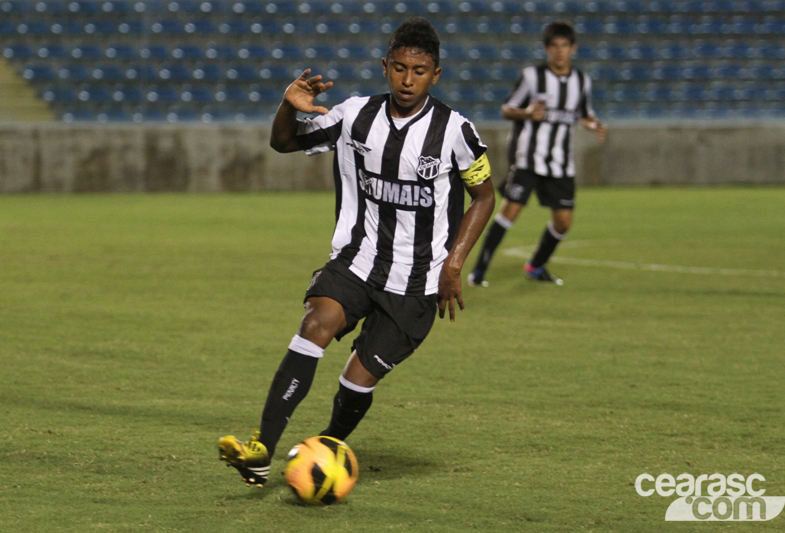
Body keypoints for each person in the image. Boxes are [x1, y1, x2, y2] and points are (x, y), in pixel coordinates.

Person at [218, 17, 495, 488]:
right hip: (357, 260)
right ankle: (262, 448)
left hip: (418, 281)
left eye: (420, 71)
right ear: (385, 66)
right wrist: (290, 105)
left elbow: (485, 196)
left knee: (357, 379)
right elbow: (283, 142)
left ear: (436, 74)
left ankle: (323, 449)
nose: (408, 80)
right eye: (400, 68)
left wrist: (453, 264)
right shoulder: (354, 115)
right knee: (315, 324)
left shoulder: (455, 131)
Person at [468, 20, 606, 287]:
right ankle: (479, 271)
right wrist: (528, 112)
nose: (559, 51)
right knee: (509, 212)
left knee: (564, 222)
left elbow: (583, 114)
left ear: (573, 48)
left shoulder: (581, 80)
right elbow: (507, 109)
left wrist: (593, 124)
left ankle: (536, 266)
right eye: (554, 46)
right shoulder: (532, 76)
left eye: (564, 46)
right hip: (528, 160)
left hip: (561, 165)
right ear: (546, 49)